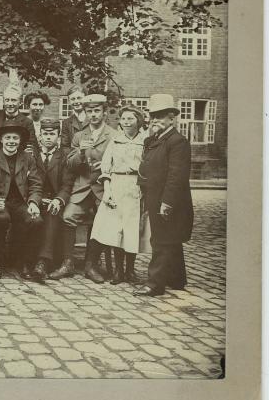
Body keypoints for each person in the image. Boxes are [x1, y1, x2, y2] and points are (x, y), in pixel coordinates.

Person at [134, 94, 194, 297]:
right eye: (153, 116)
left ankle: (155, 284)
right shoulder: (153, 140)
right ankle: (177, 279)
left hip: (169, 199)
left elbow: (177, 176)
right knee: (171, 237)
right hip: (153, 195)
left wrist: (167, 202)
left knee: (161, 239)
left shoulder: (178, 142)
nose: (155, 120)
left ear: (172, 118)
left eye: (160, 116)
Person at [90, 105, 149, 285]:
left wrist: (144, 189)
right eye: (123, 119)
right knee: (116, 229)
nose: (126, 122)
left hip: (135, 186)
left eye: (130, 119)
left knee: (131, 229)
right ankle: (118, 271)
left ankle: (130, 270)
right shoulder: (115, 140)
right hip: (116, 184)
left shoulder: (146, 141)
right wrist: (108, 191)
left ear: (138, 121)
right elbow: (106, 167)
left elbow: (149, 167)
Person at [62, 94, 116, 284]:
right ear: (85, 113)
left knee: (103, 220)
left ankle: (90, 265)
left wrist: (107, 166)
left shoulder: (113, 135)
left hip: (103, 188)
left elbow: (118, 162)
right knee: (68, 216)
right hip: (83, 187)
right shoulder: (79, 135)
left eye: (96, 111)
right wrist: (80, 154)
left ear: (104, 112)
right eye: (89, 111)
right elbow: (69, 165)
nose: (93, 115)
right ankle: (68, 263)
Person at [0, 123, 43, 280]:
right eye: (8, 138)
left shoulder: (28, 158)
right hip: (0, 202)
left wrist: (33, 202)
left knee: (35, 221)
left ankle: (24, 262)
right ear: (1, 140)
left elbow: (36, 184)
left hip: (21, 202)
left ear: (20, 141)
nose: (11, 141)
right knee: (1, 218)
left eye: (15, 138)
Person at [28, 119, 76, 280]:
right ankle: (28, 261)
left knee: (52, 215)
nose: (48, 137)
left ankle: (42, 262)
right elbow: (26, 181)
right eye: (45, 134)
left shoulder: (65, 156)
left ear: (59, 137)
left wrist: (58, 200)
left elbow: (67, 184)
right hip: (34, 198)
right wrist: (37, 199)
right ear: (39, 136)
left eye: (52, 134)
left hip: (55, 201)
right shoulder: (31, 154)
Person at [0, 85, 36, 154]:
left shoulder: (27, 122)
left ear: (20, 102)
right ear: (3, 102)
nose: (10, 104)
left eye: (13, 100)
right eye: (7, 100)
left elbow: (30, 144)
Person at [60, 85, 89, 149]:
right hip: (74, 157)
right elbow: (65, 148)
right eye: (73, 99)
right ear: (69, 101)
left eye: (79, 98)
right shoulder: (66, 123)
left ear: (85, 98)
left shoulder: (93, 119)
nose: (76, 101)